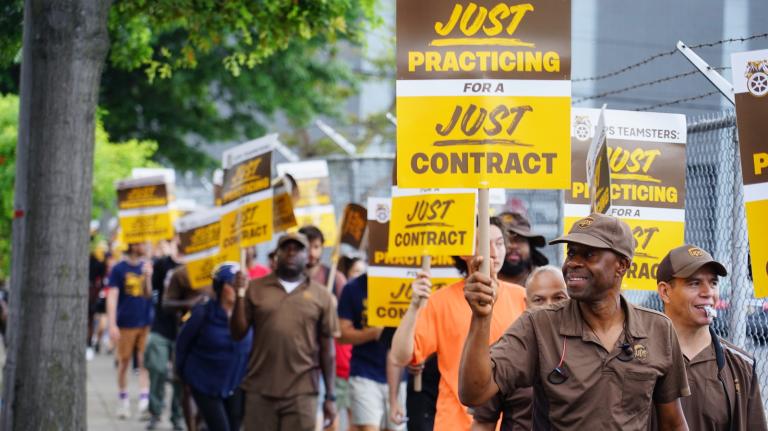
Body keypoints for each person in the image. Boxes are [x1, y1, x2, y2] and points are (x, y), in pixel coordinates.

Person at [459, 213, 691, 430]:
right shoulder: (539, 325)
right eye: (571, 253)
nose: (573, 263)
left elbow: (673, 423)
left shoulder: (658, 329)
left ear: (622, 265)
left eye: (589, 254)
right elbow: (474, 393)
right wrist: (481, 317)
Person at [390, 217, 527, 430]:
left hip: (509, 423)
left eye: (499, 243)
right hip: (454, 423)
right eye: (484, 243)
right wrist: (414, 306)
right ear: (464, 251)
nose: (493, 251)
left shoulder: (522, 297)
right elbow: (400, 356)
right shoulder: (441, 301)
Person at [230, 232, 340, 431]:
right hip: (260, 390)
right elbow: (237, 333)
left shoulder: (322, 296)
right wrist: (239, 296)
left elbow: (327, 350)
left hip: (302, 392)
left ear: (307, 257)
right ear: (276, 255)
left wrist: (330, 396)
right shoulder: (255, 288)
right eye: (286, 248)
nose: (291, 253)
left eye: (297, 249)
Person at [655, 244, 767, 430]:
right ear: (665, 292)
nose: (708, 293)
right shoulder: (639, 358)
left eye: (713, 283)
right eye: (694, 283)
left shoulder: (741, 366)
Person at [470, 265, 569, 431]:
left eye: (559, 298)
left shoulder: (588, 346)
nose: (549, 307)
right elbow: (483, 423)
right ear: (526, 303)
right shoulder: (507, 355)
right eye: (539, 300)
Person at [176, 262, 252, 431]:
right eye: (231, 284)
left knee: (234, 426)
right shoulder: (203, 313)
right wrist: (182, 375)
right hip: (205, 383)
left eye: (239, 283)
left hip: (235, 383)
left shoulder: (249, 314)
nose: (236, 288)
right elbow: (182, 344)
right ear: (220, 287)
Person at [338, 273, 405, 431]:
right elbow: (342, 335)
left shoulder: (407, 285)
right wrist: (373, 332)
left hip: (401, 376)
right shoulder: (353, 288)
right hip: (364, 373)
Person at [106, 241, 154, 419]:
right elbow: (112, 296)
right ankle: (123, 400)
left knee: (144, 362)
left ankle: (144, 400)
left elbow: (149, 295)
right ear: (133, 244)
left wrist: (148, 276)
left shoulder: (147, 266)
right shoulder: (119, 269)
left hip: (145, 322)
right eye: (142, 242)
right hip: (126, 322)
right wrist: (112, 324)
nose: (145, 245)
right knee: (124, 362)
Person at [145, 239, 184, 430]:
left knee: (180, 376)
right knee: (158, 369)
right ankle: (155, 411)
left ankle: (177, 416)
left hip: (184, 330)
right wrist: (146, 277)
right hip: (161, 327)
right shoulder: (162, 264)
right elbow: (149, 293)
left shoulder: (194, 265)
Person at [497, 211, 549, 286]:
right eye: (505, 240)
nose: (513, 246)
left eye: (520, 240)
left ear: (530, 247)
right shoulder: (479, 282)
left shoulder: (544, 282)